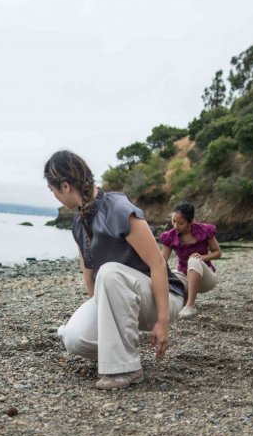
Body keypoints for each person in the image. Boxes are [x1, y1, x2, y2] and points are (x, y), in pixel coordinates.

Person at [46, 150, 187, 390]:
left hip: (160, 298)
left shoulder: (118, 208)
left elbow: (158, 264)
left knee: (110, 272)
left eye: (54, 191)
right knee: (74, 338)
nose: (56, 198)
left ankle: (127, 369)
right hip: (119, 297)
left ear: (66, 186)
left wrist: (163, 322)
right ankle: (123, 351)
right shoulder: (79, 224)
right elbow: (90, 278)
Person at [159, 201, 221, 318]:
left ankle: (190, 306)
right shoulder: (169, 237)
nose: (176, 226)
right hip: (185, 276)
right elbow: (162, 261)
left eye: (181, 223)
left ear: (190, 222)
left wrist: (203, 257)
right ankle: (182, 301)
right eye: (174, 221)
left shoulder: (204, 230)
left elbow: (218, 252)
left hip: (206, 279)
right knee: (168, 278)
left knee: (193, 259)